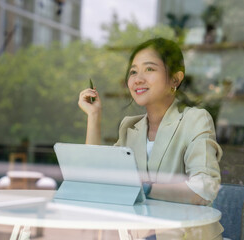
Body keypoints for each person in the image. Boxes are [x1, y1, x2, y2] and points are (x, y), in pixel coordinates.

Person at [78, 37, 223, 240]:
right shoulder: (129, 127)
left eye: (149, 69)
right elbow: (96, 179)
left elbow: (204, 189)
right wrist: (94, 116)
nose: (138, 79)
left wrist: (144, 187)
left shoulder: (195, 119)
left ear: (175, 79)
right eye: (133, 72)